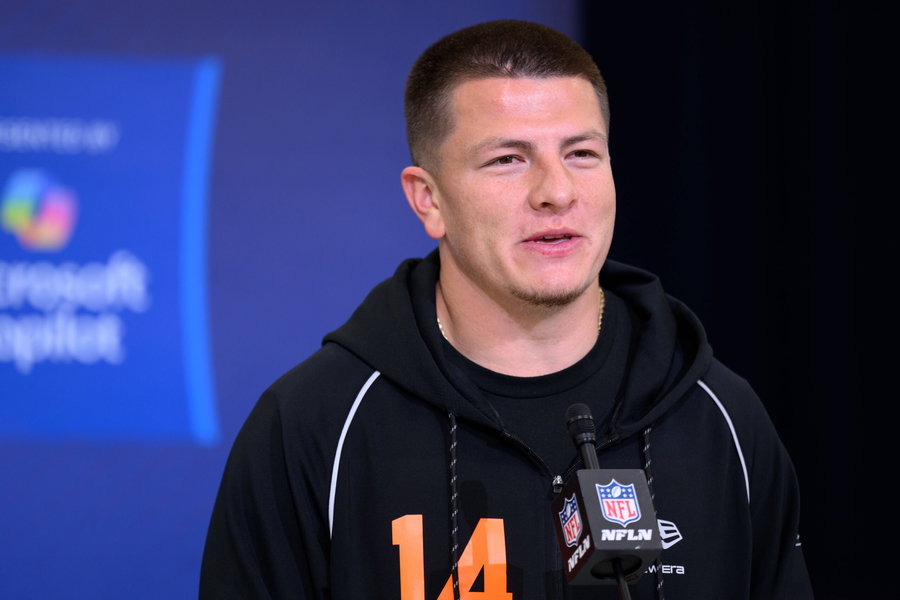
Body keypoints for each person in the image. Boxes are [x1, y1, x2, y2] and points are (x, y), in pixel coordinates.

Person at [200, 20, 813, 599]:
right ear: (428, 199)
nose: (557, 191)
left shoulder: (720, 416)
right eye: (507, 159)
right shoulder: (312, 426)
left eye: (581, 153)